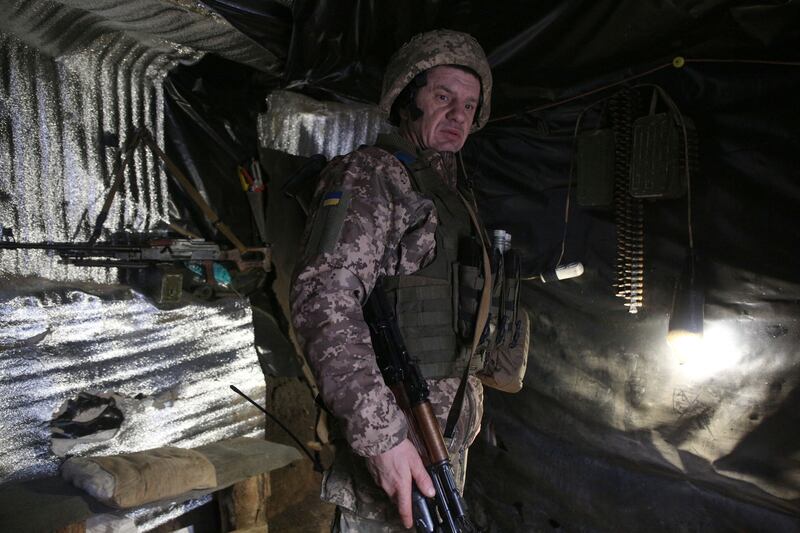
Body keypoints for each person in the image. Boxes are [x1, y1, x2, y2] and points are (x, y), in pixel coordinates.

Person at [291, 29, 528, 532]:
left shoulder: (453, 194)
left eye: (468, 104)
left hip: (443, 443)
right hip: (397, 445)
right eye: (443, 97)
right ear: (407, 99)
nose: (458, 114)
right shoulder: (373, 175)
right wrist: (382, 439)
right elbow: (323, 300)